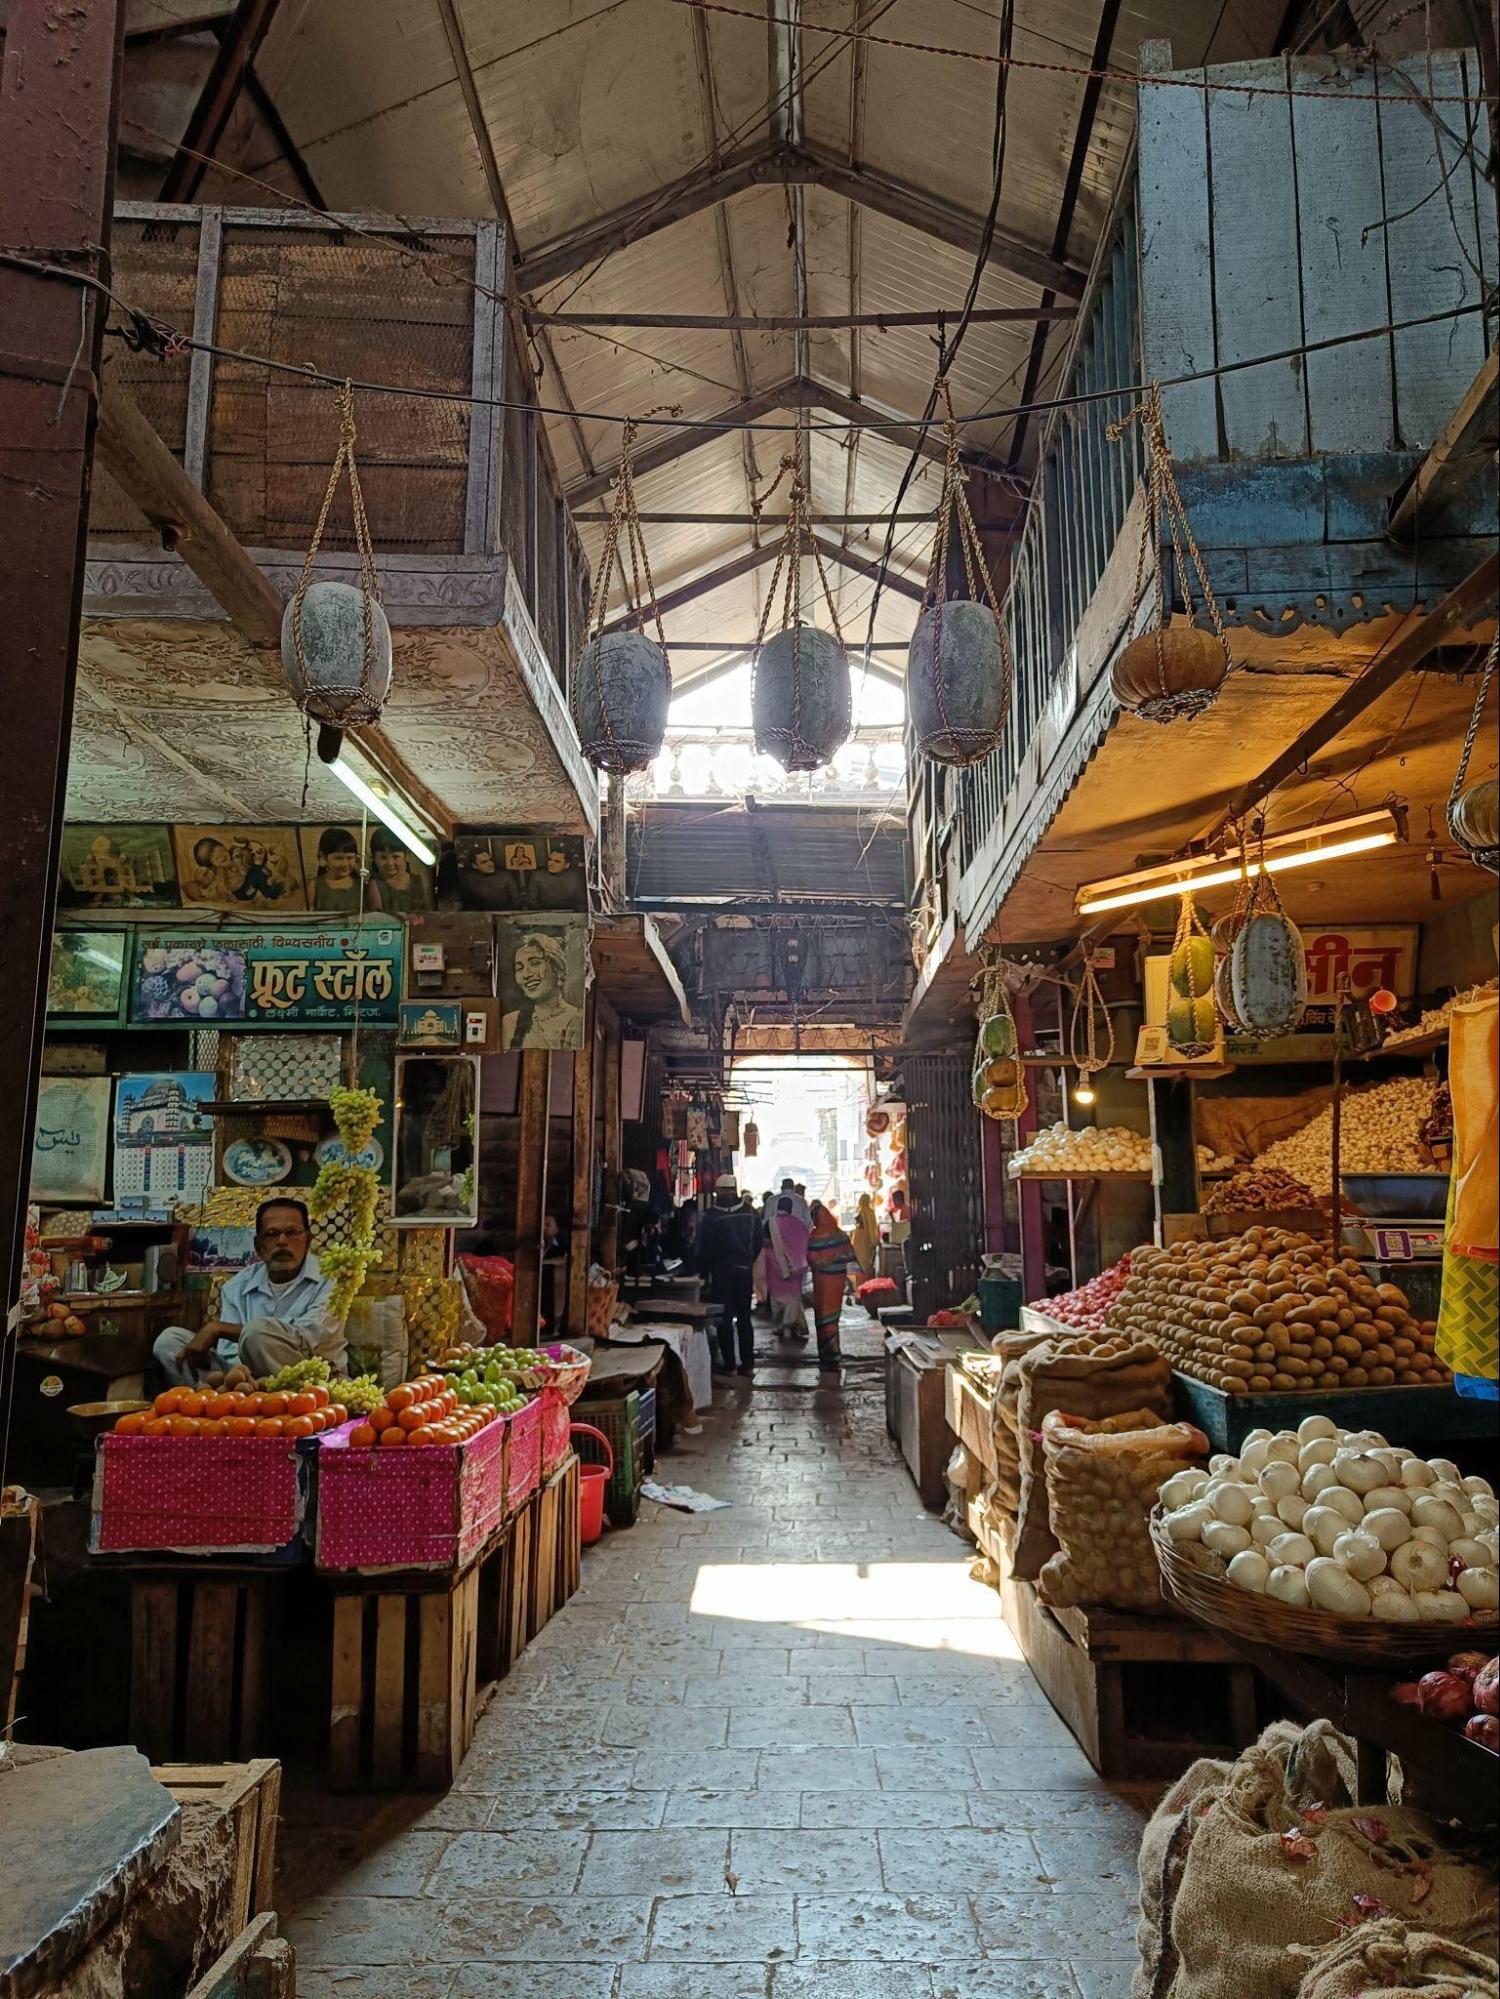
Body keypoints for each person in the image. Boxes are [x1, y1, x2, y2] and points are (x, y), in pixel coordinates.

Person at [152, 1197, 345, 1385]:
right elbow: (229, 1353)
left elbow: (310, 1336)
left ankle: (251, 1400)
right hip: (247, 1379)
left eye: (292, 1232)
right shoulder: (237, 1286)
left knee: (256, 1333)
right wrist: (241, 1378)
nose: (282, 1241)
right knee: (169, 1341)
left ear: (308, 1241)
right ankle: (217, 1401)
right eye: (271, 1233)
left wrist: (219, 1328)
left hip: (310, 1375)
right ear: (258, 1246)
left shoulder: (330, 1280)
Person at [696, 1175, 763, 1378]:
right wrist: (747, 1261)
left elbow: (704, 1248)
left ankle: (730, 1365)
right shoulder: (752, 1214)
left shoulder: (711, 1217)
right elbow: (758, 1243)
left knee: (724, 1319)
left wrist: (704, 1272)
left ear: (720, 1191)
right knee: (744, 1318)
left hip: (721, 1273)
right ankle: (748, 1364)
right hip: (744, 1272)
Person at [503, 930, 583, 1049]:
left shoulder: (576, 1019)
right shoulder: (510, 1022)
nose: (526, 974)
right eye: (519, 968)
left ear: (558, 970)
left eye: (535, 963)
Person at [806, 1200, 855, 1372]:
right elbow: (850, 1254)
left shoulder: (814, 1236)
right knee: (833, 1316)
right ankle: (834, 1353)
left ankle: (826, 1355)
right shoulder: (840, 1234)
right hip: (837, 1280)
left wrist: (823, 1262)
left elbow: (810, 1259)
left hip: (821, 1281)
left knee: (822, 1315)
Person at [765, 1195, 811, 1341]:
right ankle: (790, 1325)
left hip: (773, 1265)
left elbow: (764, 1243)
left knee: (777, 1297)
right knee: (793, 1298)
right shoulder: (799, 1224)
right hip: (795, 1269)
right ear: (791, 1209)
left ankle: (780, 1325)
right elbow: (805, 1244)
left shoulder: (769, 1224)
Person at [367, 828, 433, 914]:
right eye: (383, 857)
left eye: (395, 857)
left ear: (405, 856)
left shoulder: (421, 881)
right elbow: (377, 918)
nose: (390, 863)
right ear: (374, 859)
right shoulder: (375, 884)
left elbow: (430, 914)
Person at [310, 826, 362, 911]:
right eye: (338, 858)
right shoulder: (315, 886)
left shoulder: (361, 885)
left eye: (349, 858)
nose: (345, 864)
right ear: (323, 857)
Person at [851, 1191, 880, 1277]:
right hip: (869, 1240)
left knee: (861, 1261)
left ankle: (862, 1277)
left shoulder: (860, 1213)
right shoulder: (871, 1212)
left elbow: (859, 1228)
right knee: (867, 1261)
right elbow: (874, 1226)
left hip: (859, 1241)